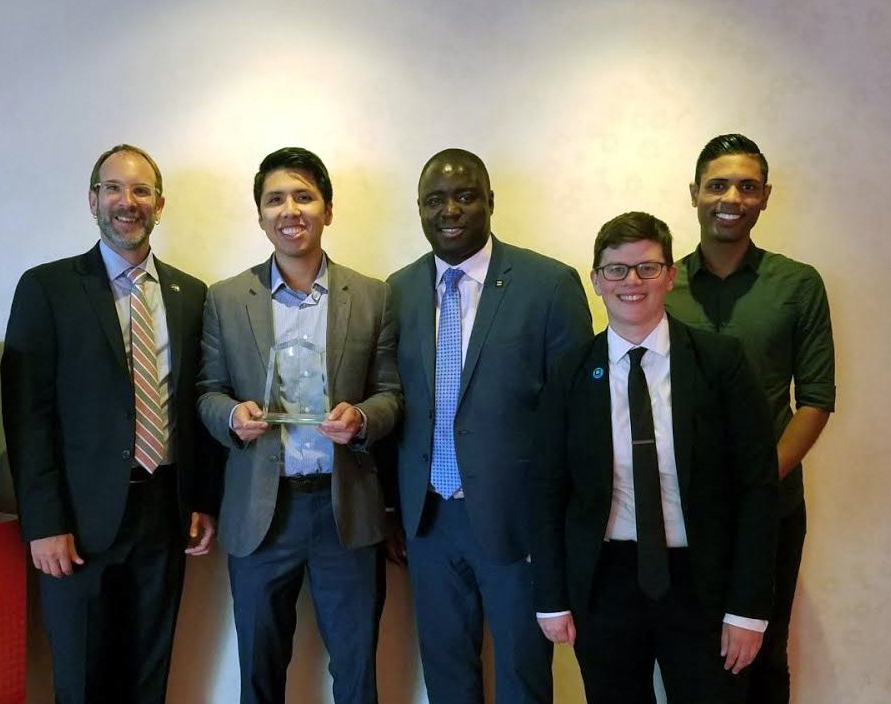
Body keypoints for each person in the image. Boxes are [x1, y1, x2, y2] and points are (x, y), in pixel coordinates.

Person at [1, 144, 220, 704]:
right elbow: (28, 414)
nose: (128, 202)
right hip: (77, 522)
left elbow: (196, 405)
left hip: (163, 515)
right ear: (93, 200)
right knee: (81, 678)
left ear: (160, 203)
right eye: (114, 188)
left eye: (141, 190)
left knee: (148, 672)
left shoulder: (191, 295)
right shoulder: (46, 288)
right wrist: (43, 522)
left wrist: (201, 500)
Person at [531, 211, 780, 703]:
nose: (632, 281)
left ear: (670, 274)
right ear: (596, 281)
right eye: (616, 270)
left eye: (647, 267)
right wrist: (551, 597)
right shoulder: (570, 373)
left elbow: (757, 488)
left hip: (702, 580)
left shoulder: (720, 362)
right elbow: (548, 490)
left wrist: (748, 609)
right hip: (605, 582)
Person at [383, 148, 592, 704]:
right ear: (419, 210)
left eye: (465, 195)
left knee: (524, 675)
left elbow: (577, 418)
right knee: (447, 675)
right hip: (427, 522)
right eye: (434, 200)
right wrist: (390, 510)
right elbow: (391, 402)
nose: (449, 210)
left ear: (490, 202)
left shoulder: (548, 285)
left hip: (517, 520)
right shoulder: (396, 290)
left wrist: (562, 520)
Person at [197, 147, 401, 704]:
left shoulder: (373, 296)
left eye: (305, 196)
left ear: (328, 210)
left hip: (346, 509)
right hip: (263, 512)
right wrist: (231, 415)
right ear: (260, 215)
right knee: (260, 672)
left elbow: (392, 394)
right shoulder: (226, 298)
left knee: (357, 671)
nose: (291, 210)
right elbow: (205, 393)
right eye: (275, 199)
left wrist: (361, 418)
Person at [666, 133, 835, 703]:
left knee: (762, 654)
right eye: (717, 184)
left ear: (765, 197)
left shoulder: (797, 283)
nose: (730, 197)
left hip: (772, 509)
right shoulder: (663, 284)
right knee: (693, 655)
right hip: (680, 512)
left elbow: (814, 398)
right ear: (694, 194)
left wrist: (759, 486)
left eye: (747, 186)